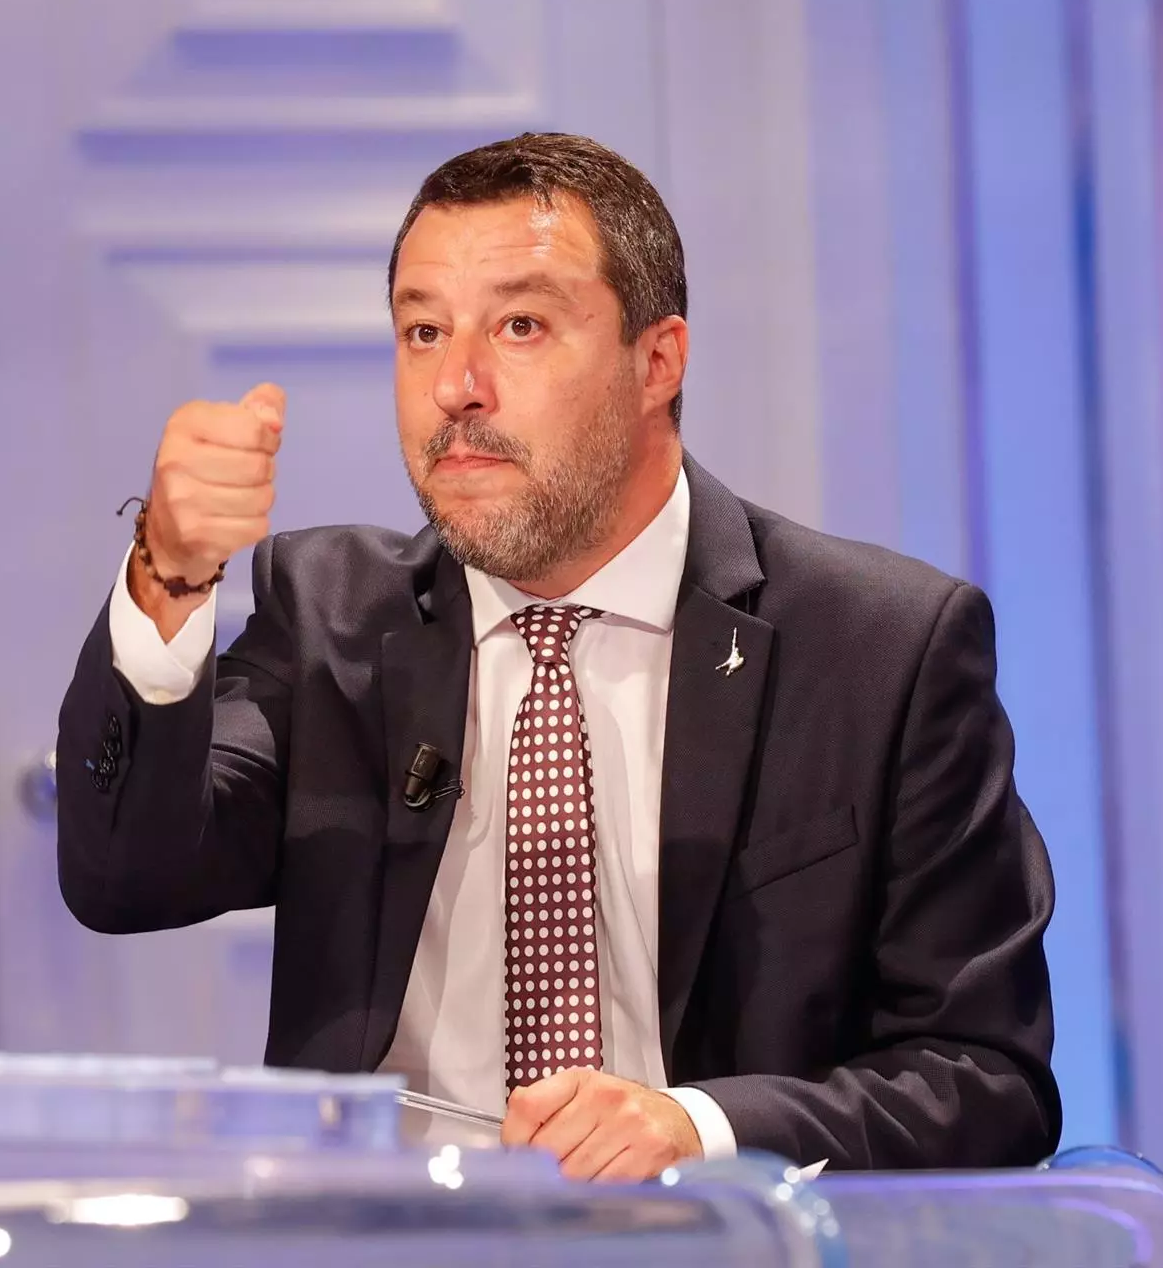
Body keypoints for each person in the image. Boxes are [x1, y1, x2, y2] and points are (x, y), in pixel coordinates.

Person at [57, 132, 1059, 1180]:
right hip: (394, 1236)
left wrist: (703, 1128)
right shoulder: (332, 619)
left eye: (521, 326)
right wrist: (169, 574)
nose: (457, 386)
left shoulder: (878, 647)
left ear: (657, 362)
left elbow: (985, 1077)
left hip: (710, 1237)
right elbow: (127, 876)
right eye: (423, 330)